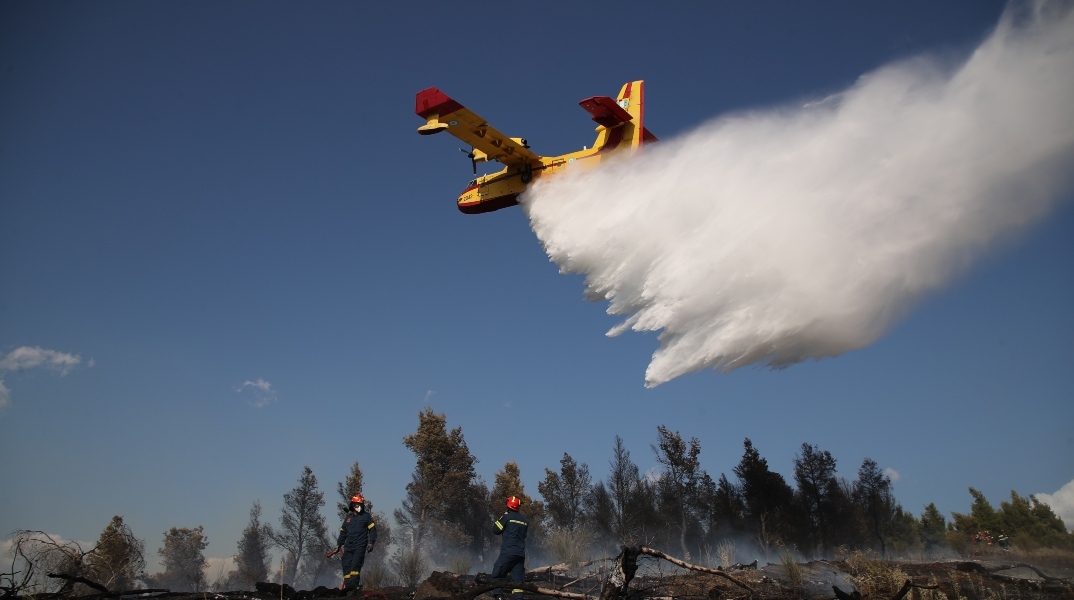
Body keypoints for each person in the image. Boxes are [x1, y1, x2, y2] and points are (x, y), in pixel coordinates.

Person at [333, 494, 377, 593]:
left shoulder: (366, 517)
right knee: (346, 565)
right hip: (348, 547)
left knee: (355, 566)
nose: (359, 507)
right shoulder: (348, 518)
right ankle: (348, 588)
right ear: (353, 505)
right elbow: (343, 533)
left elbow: (372, 530)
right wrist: (338, 545)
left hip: (360, 546)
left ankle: (354, 587)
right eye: (357, 505)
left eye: (361, 505)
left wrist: (371, 543)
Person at [491, 496, 528, 600]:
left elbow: (495, 530)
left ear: (508, 506)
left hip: (508, 552)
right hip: (520, 554)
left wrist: (501, 518)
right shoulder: (525, 521)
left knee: (497, 576)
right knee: (518, 584)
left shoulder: (506, 517)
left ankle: (499, 597)